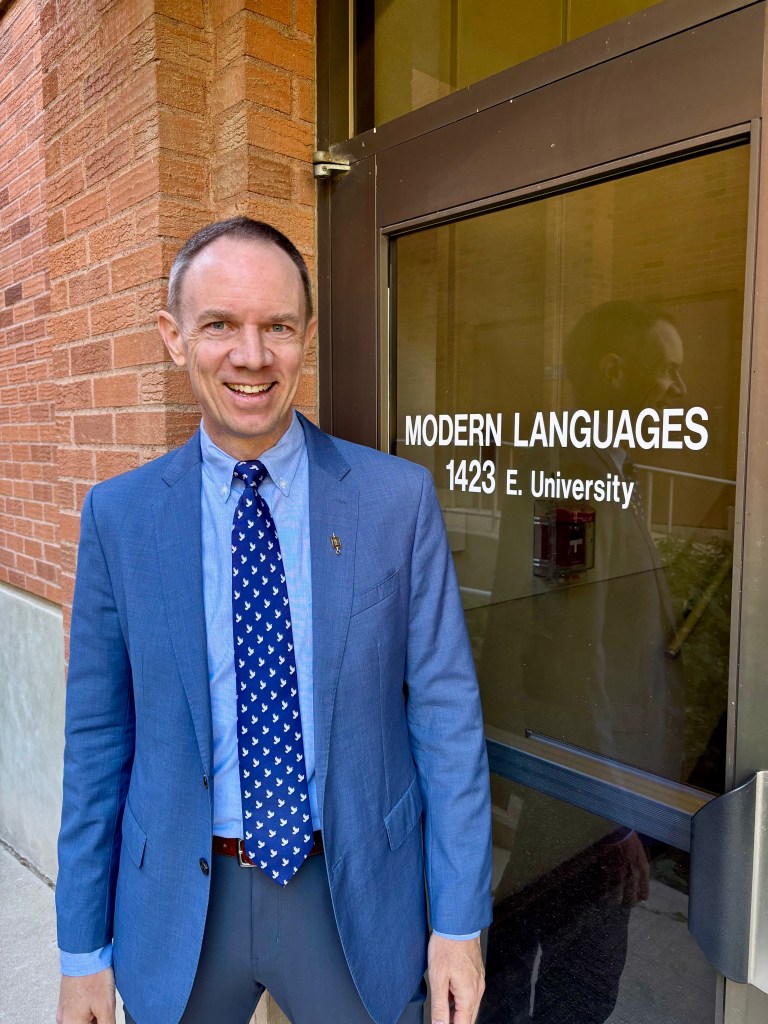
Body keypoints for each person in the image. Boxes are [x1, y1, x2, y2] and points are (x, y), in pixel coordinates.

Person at [55, 218, 492, 1024]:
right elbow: (96, 744)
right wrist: (82, 953)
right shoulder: (118, 518)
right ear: (173, 338)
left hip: (349, 893)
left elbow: (446, 720)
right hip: (181, 907)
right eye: (219, 323)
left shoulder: (395, 501)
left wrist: (458, 922)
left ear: (307, 337)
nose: (251, 355)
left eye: (277, 327)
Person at [478, 302, 686, 1023]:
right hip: (587, 794)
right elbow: (574, 653)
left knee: (515, 942)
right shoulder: (574, 476)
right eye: (669, 371)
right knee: (581, 986)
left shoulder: (600, 470)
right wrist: (618, 818)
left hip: (572, 786)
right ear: (614, 371)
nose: (679, 391)